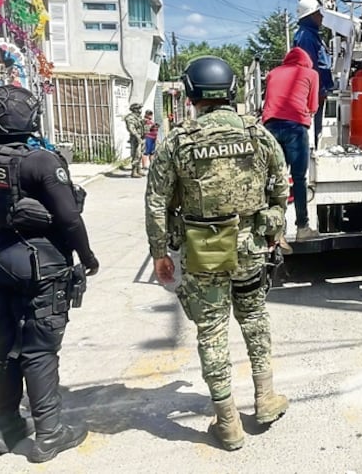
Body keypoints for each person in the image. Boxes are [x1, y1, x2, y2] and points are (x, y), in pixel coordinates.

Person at [145, 56, 290, 451]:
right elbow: (281, 185)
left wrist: (159, 251)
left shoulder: (178, 140)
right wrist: (274, 226)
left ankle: (227, 423)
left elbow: (157, 200)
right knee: (254, 318)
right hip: (250, 247)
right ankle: (265, 399)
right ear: (231, 91)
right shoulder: (258, 134)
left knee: (211, 331)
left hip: (203, 249)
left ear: (191, 94)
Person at [0, 85, 99, 463]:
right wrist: (87, 258)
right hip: (39, 262)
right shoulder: (39, 161)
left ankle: (5, 430)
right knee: (39, 349)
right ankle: (50, 434)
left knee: (5, 347)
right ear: (30, 119)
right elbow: (69, 217)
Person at [263, 46, 319, 241]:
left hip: (270, 127)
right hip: (295, 128)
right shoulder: (311, 74)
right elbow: (312, 106)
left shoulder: (272, 74)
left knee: (272, 179)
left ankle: (274, 230)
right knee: (299, 179)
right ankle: (302, 227)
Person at [293, 0, 334, 148]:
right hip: (313, 90)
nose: (322, 16)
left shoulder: (308, 35)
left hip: (314, 88)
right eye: (318, 13)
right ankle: (311, 153)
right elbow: (311, 66)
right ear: (310, 16)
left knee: (314, 126)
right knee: (312, 127)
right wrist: (319, 89)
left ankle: (312, 149)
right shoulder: (307, 37)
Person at [123, 102, 146, 177]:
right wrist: (137, 136)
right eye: (139, 108)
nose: (140, 110)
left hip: (141, 137)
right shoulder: (130, 118)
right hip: (135, 138)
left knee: (139, 154)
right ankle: (134, 171)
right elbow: (131, 128)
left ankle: (138, 169)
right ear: (135, 109)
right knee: (136, 154)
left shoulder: (138, 117)